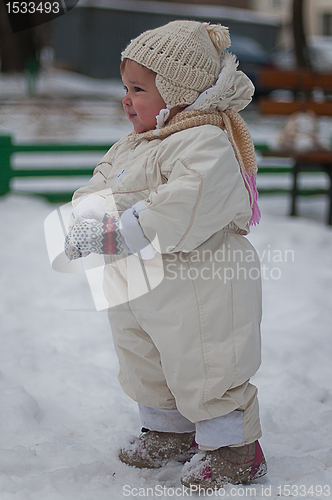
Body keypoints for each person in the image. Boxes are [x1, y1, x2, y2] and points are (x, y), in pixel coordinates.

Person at [64, 20, 267, 489]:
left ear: (178, 91)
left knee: (206, 362)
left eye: (138, 88)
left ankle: (234, 448)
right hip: (137, 285)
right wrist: (89, 218)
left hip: (198, 286)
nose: (126, 99)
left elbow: (185, 204)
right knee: (144, 358)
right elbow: (99, 185)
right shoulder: (132, 145)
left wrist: (122, 231)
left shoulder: (205, 142)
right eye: (124, 88)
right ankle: (168, 431)